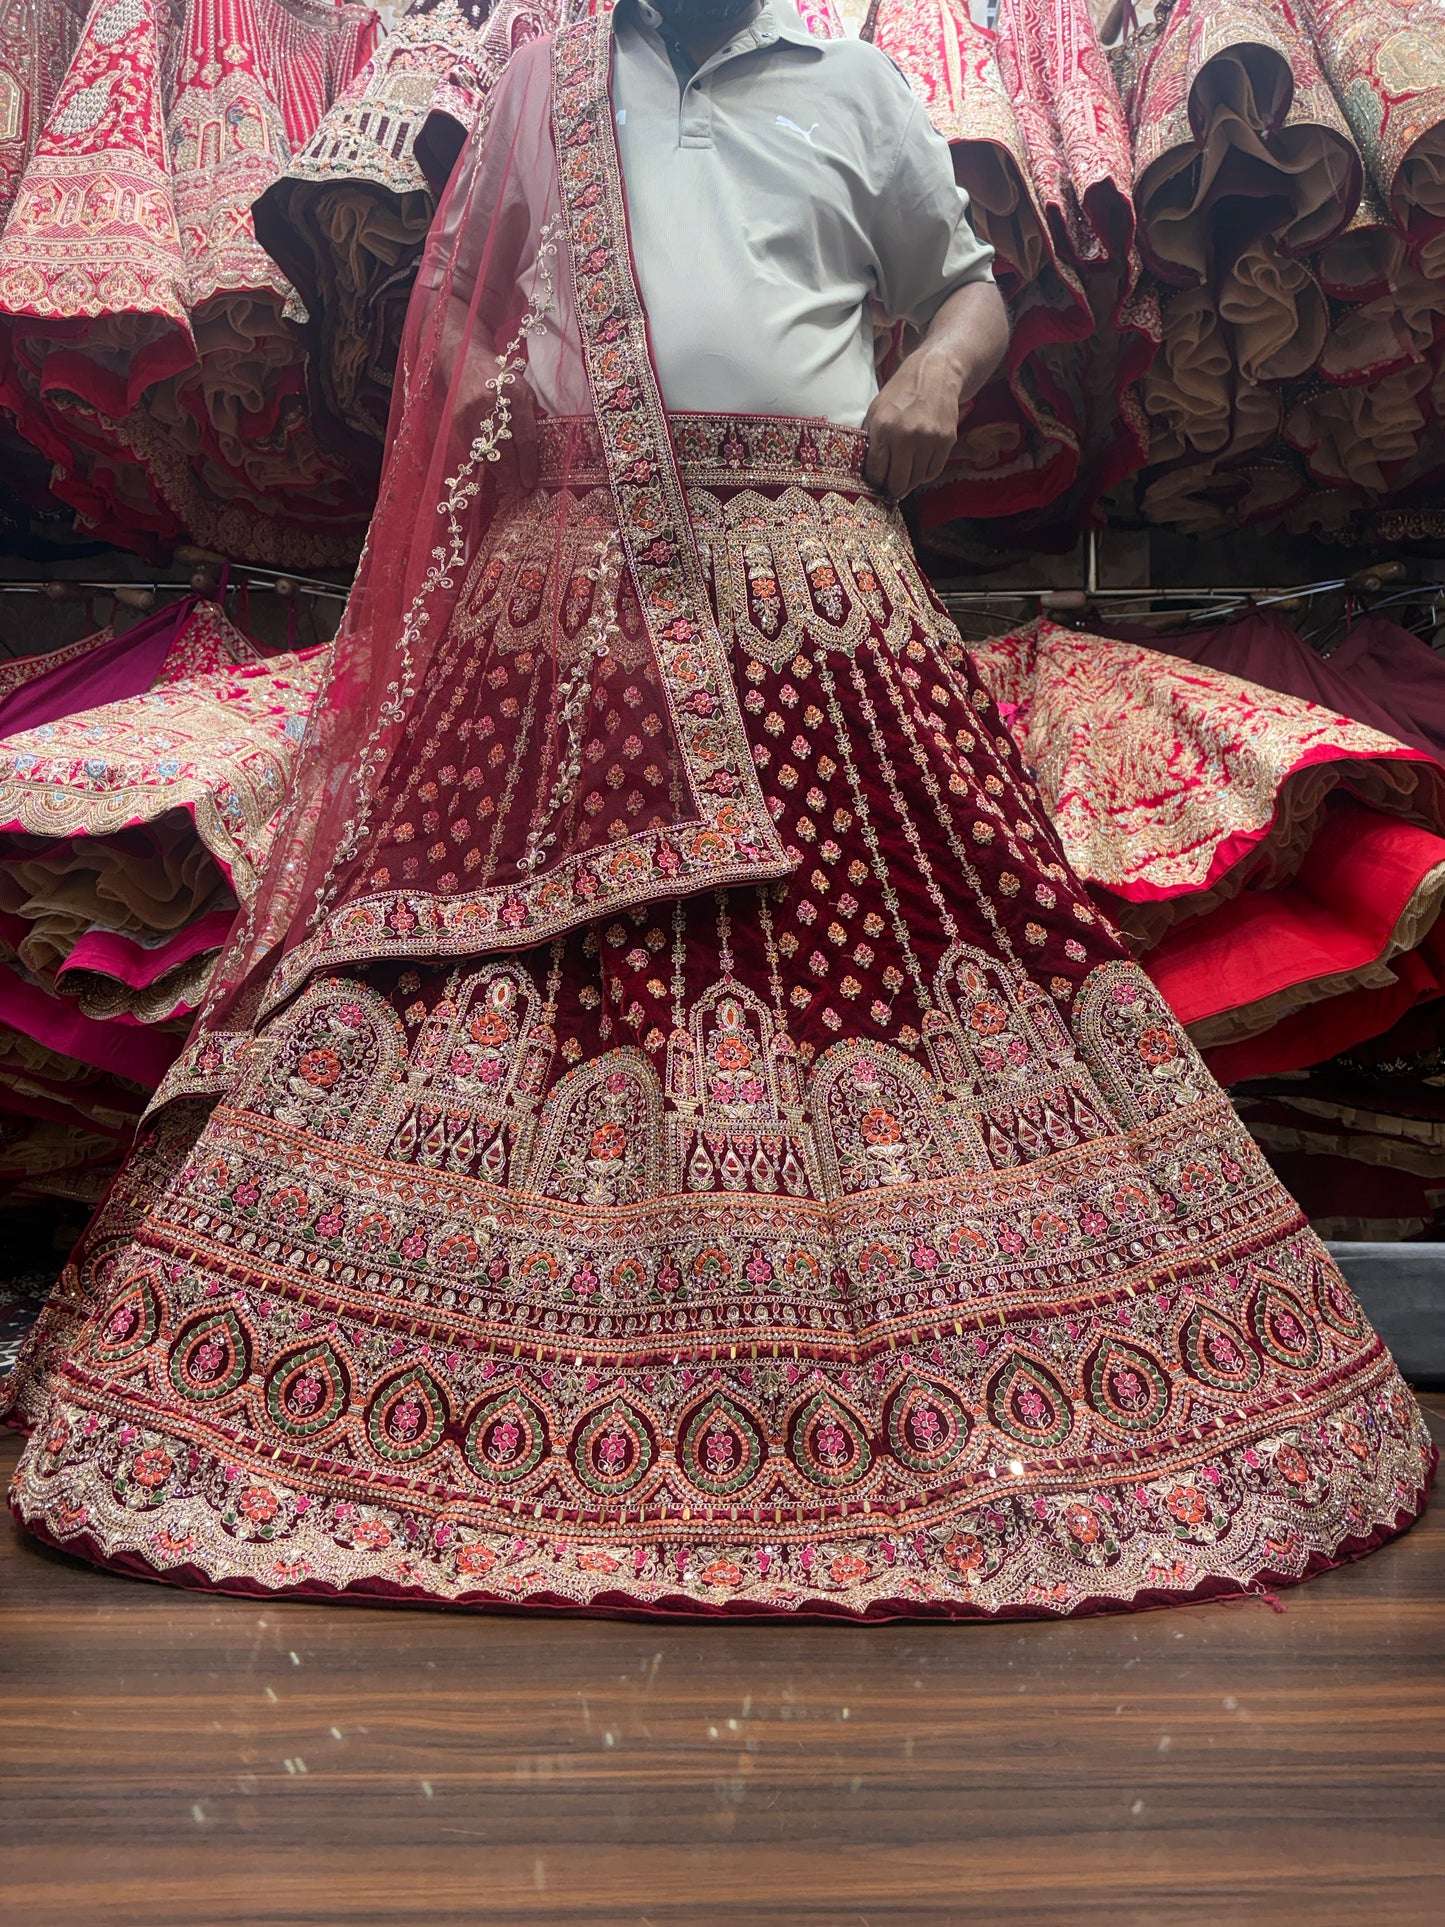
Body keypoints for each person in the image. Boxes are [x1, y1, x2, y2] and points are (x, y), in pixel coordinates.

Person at [4, 0, 1430, 1619]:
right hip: (563, 603)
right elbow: (460, 322)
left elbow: (962, 290)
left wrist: (942, 383)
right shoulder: (535, 85)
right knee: (489, 981)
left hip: (813, 577)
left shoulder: (861, 86)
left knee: (920, 958)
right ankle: (460, 1384)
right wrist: (518, 421)